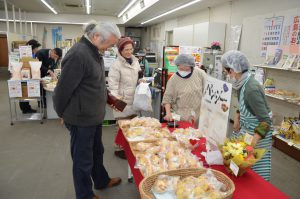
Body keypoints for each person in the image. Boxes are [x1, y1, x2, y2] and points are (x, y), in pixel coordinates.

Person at [53, 21, 122, 199]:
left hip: (94, 117)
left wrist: (107, 98)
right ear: (96, 37)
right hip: (81, 119)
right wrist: (62, 114)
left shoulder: (95, 51)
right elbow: (62, 90)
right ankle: (84, 195)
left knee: (97, 152)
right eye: (110, 44)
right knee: (83, 160)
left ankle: (101, 180)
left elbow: (93, 83)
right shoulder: (79, 54)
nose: (110, 48)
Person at [221, 50, 272, 181]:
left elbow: (266, 121)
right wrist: (238, 117)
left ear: (233, 70)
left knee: (255, 171)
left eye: (227, 71)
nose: (227, 74)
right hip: (247, 130)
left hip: (258, 134)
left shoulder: (251, 88)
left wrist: (253, 142)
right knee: (240, 165)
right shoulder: (242, 82)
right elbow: (244, 103)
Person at [108, 37, 141, 159]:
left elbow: (139, 74)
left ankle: (130, 147)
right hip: (122, 99)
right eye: (126, 49)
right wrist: (117, 102)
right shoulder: (116, 65)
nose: (129, 52)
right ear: (120, 50)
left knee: (133, 125)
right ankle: (119, 149)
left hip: (134, 98)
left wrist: (141, 81)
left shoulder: (135, 61)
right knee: (121, 125)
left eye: (131, 49)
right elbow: (113, 85)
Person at [162, 54, 206, 125]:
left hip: (198, 114)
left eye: (186, 69)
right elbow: (167, 98)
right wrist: (168, 113)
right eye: (180, 69)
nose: (183, 71)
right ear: (177, 66)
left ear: (191, 66)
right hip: (180, 116)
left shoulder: (200, 74)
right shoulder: (173, 79)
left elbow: (207, 91)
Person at [19, 39, 41, 114]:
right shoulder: (26, 55)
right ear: (33, 48)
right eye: (36, 48)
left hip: (28, 76)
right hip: (24, 76)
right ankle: (25, 109)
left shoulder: (31, 54)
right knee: (24, 92)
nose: (37, 50)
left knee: (26, 92)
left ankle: (26, 107)